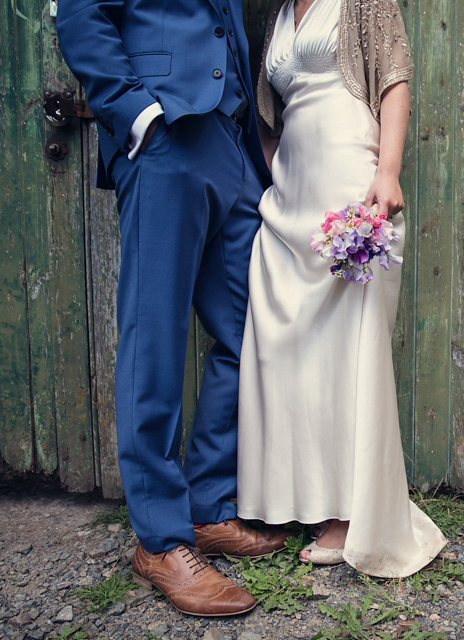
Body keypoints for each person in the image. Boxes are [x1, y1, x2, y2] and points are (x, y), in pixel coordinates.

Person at [56, 0, 291, 617]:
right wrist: (140, 116)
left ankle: (208, 505)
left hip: (231, 149)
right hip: (166, 143)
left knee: (251, 330)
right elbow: (80, 15)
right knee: (154, 337)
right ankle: (161, 540)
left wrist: (251, 155)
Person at [236, 0, 447, 577]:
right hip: (289, 204)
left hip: (352, 192)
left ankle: (352, 514)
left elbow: (394, 78)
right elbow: (270, 113)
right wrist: (276, 173)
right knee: (285, 347)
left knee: (346, 354)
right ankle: (292, 496)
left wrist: (387, 170)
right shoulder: (280, 14)